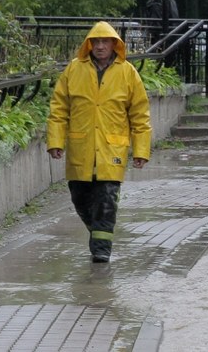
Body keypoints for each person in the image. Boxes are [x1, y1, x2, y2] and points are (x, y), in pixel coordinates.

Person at [46, 21, 152, 263]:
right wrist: (55, 141)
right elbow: (59, 109)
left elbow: (140, 114)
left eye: (105, 42)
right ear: (89, 44)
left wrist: (141, 151)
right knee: (80, 197)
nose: (100, 46)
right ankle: (99, 235)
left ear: (115, 44)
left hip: (112, 147)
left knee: (106, 199)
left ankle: (101, 250)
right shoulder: (74, 70)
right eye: (96, 42)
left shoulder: (127, 73)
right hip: (80, 148)